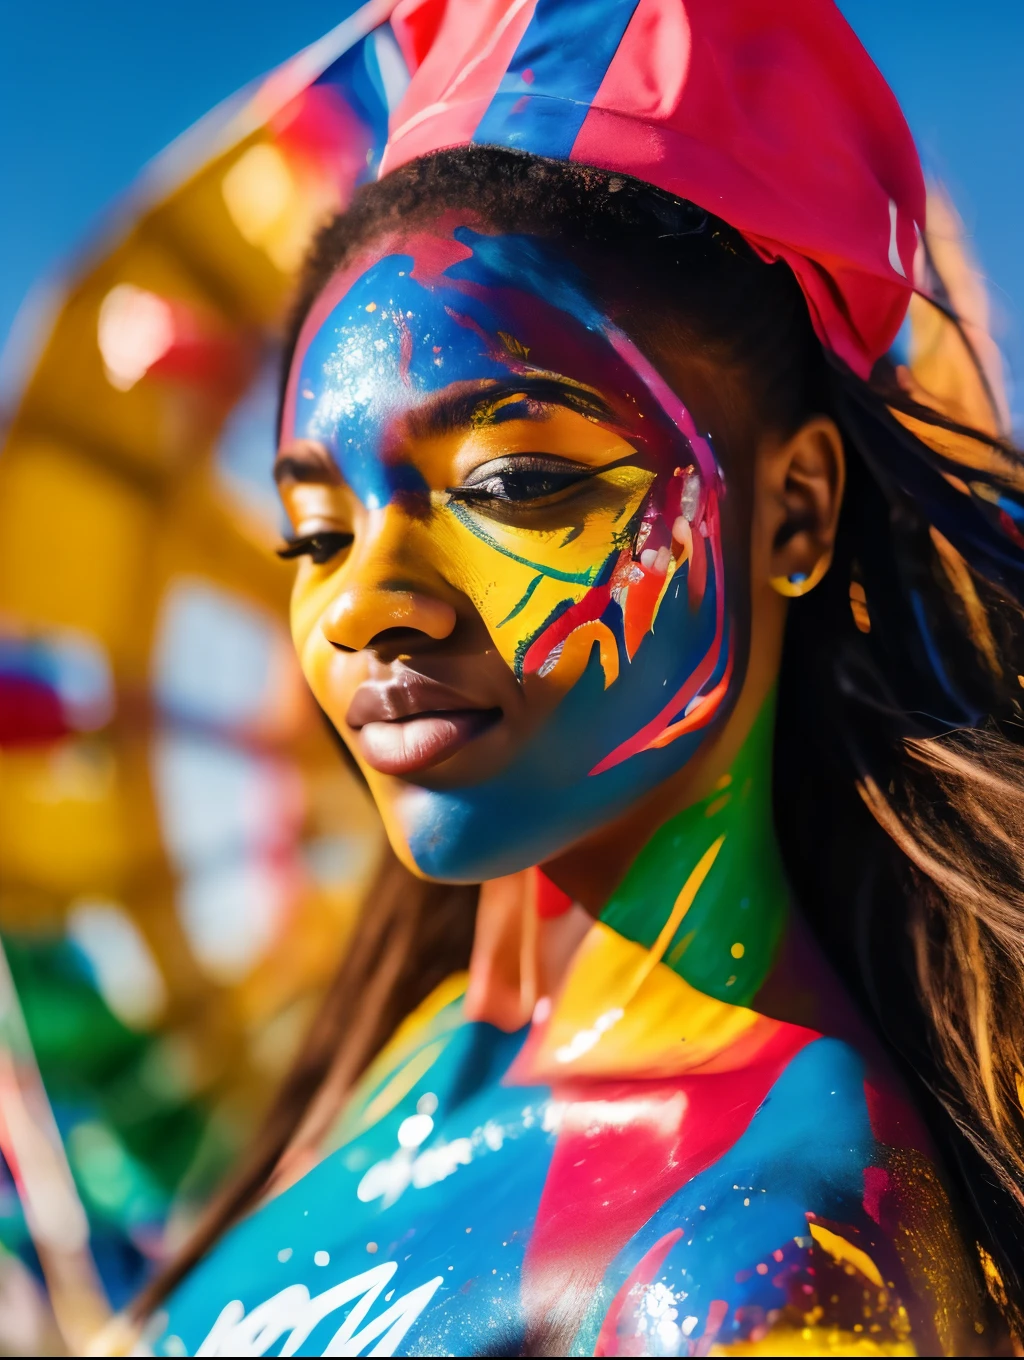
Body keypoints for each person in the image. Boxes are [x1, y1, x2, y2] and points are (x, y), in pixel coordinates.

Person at [134, 1, 1024, 1354]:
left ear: (793, 511)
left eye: (516, 485)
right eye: (316, 530)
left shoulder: (756, 1268)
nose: (364, 603)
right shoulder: (392, 1072)